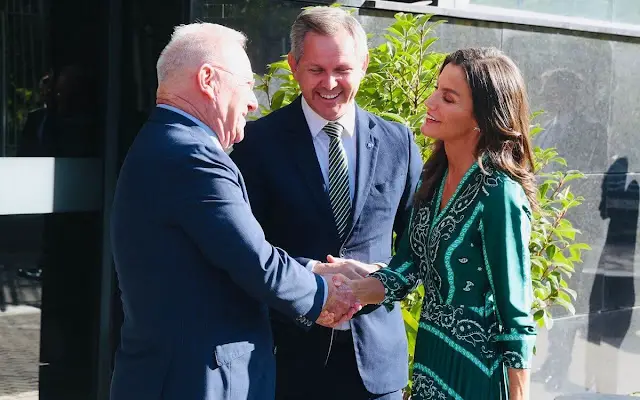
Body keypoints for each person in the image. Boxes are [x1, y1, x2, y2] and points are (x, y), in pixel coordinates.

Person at [109, 23, 360, 400]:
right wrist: (325, 293)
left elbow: (227, 254)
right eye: (246, 84)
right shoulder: (191, 156)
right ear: (208, 79)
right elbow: (254, 261)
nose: (253, 102)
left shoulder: (171, 143)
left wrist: (314, 269)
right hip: (194, 381)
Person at [230, 6, 422, 400]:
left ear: (364, 65)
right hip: (290, 362)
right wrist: (313, 278)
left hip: (377, 369)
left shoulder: (397, 142)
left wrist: (382, 281)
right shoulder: (256, 145)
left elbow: (420, 246)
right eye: (316, 70)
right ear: (293, 65)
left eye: (342, 69)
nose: (330, 83)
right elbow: (245, 252)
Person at [332, 47, 538, 400]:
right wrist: (347, 289)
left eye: (448, 97)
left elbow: (515, 316)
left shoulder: (499, 193)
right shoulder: (435, 175)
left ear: (481, 117)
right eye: (435, 89)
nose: (430, 102)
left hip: (477, 372)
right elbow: (408, 267)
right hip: (431, 363)